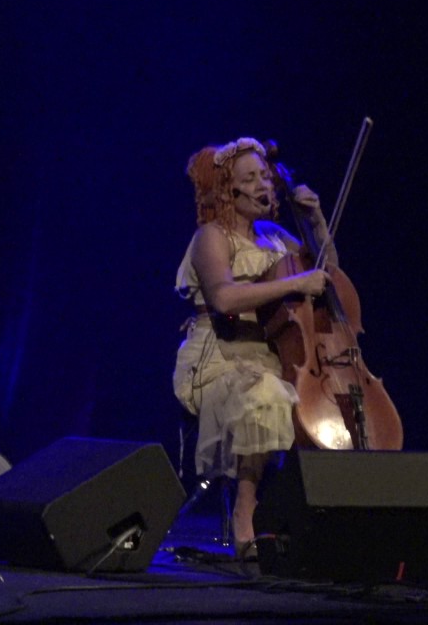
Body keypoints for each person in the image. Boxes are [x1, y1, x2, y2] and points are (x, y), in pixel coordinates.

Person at [172, 137, 333, 557]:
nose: (265, 185)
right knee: (264, 394)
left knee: (307, 404)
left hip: (270, 354)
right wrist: (296, 282)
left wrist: (316, 224)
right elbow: (224, 298)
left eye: (266, 176)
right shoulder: (212, 236)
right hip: (220, 356)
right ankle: (246, 508)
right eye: (251, 178)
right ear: (229, 190)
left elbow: (329, 276)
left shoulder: (275, 236)